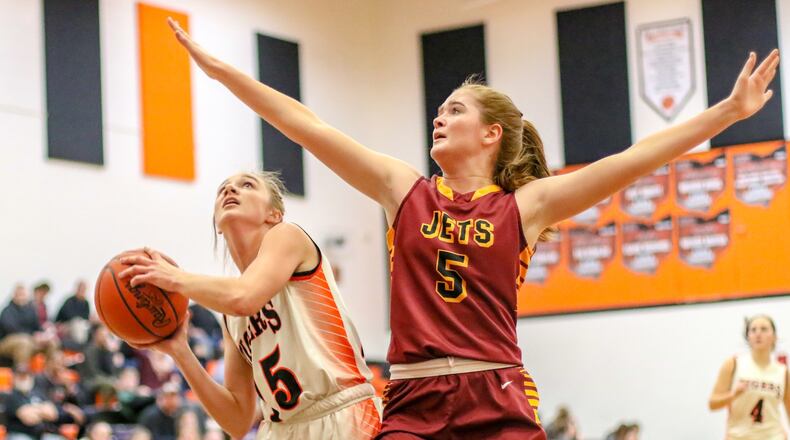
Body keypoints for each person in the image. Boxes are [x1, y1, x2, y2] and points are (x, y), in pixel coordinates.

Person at [163, 16, 778, 439]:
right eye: (438, 109)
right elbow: (306, 124)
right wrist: (221, 72)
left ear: (492, 134)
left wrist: (728, 110)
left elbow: (631, 160)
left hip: (495, 391)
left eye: (454, 109)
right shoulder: (403, 189)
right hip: (411, 397)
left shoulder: (526, 206)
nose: (439, 116)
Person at [119, 171, 381, 439]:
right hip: (281, 429)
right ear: (218, 225)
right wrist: (181, 353)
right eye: (223, 189)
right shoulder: (230, 314)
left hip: (344, 416)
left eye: (246, 185)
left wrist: (174, 278)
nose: (230, 191)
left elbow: (243, 298)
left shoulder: (288, 235)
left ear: (274, 214)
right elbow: (236, 421)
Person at [709, 315, 789, 439]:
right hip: (740, 436)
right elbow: (712, 403)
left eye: (764, 329)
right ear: (748, 336)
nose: (758, 333)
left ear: (774, 337)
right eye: (753, 329)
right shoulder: (734, 364)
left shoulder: (782, 371)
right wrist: (733, 395)